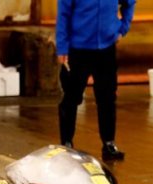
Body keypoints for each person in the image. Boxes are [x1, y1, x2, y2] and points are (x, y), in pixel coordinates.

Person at [56, 0, 136, 161]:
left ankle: (108, 142)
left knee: (107, 97)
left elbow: (130, 2)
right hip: (78, 49)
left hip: (106, 49)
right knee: (72, 96)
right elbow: (63, 15)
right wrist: (62, 47)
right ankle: (66, 142)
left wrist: (123, 28)